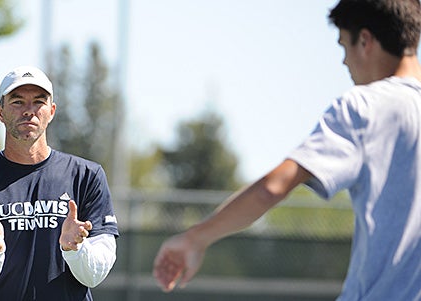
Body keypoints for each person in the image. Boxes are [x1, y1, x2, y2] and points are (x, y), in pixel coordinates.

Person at [153, 0, 421, 300]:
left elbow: (274, 186)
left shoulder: (364, 108)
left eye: (343, 47)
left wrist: (195, 239)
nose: (344, 62)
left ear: (365, 41)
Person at [0, 66, 120, 300]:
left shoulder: (87, 176)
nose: (29, 111)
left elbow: (94, 276)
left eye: (38, 102)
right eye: (17, 102)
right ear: (0, 111)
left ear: (52, 111)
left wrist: (74, 248)